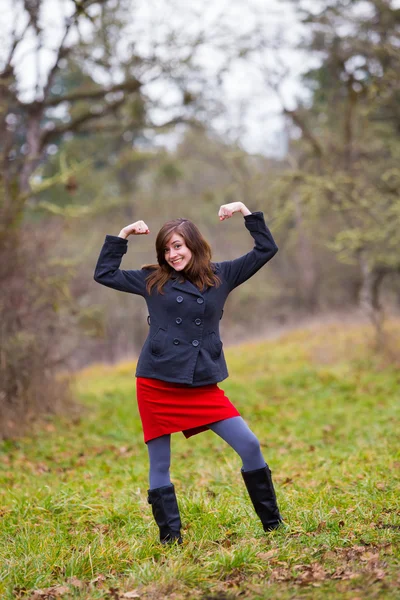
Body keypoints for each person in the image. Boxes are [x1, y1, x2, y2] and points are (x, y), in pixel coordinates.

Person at [94, 201, 283, 545]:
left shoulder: (222, 275)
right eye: (166, 248)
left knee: (249, 444)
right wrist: (122, 236)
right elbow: (104, 274)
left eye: (177, 246)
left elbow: (265, 248)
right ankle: (171, 540)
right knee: (160, 464)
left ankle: (273, 526)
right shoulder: (153, 280)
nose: (172, 254)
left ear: (193, 245)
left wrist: (245, 211)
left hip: (201, 382)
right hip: (156, 381)